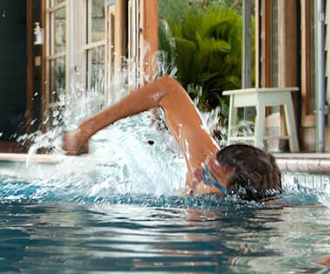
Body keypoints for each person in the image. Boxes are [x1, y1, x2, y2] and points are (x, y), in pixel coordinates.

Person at [60, 76, 282, 201]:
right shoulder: (206, 164)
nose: (195, 172)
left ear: (229, 198)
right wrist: (87, 130)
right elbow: (167, 88)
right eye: (206, 165)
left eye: (207, 176)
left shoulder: (208, 231)